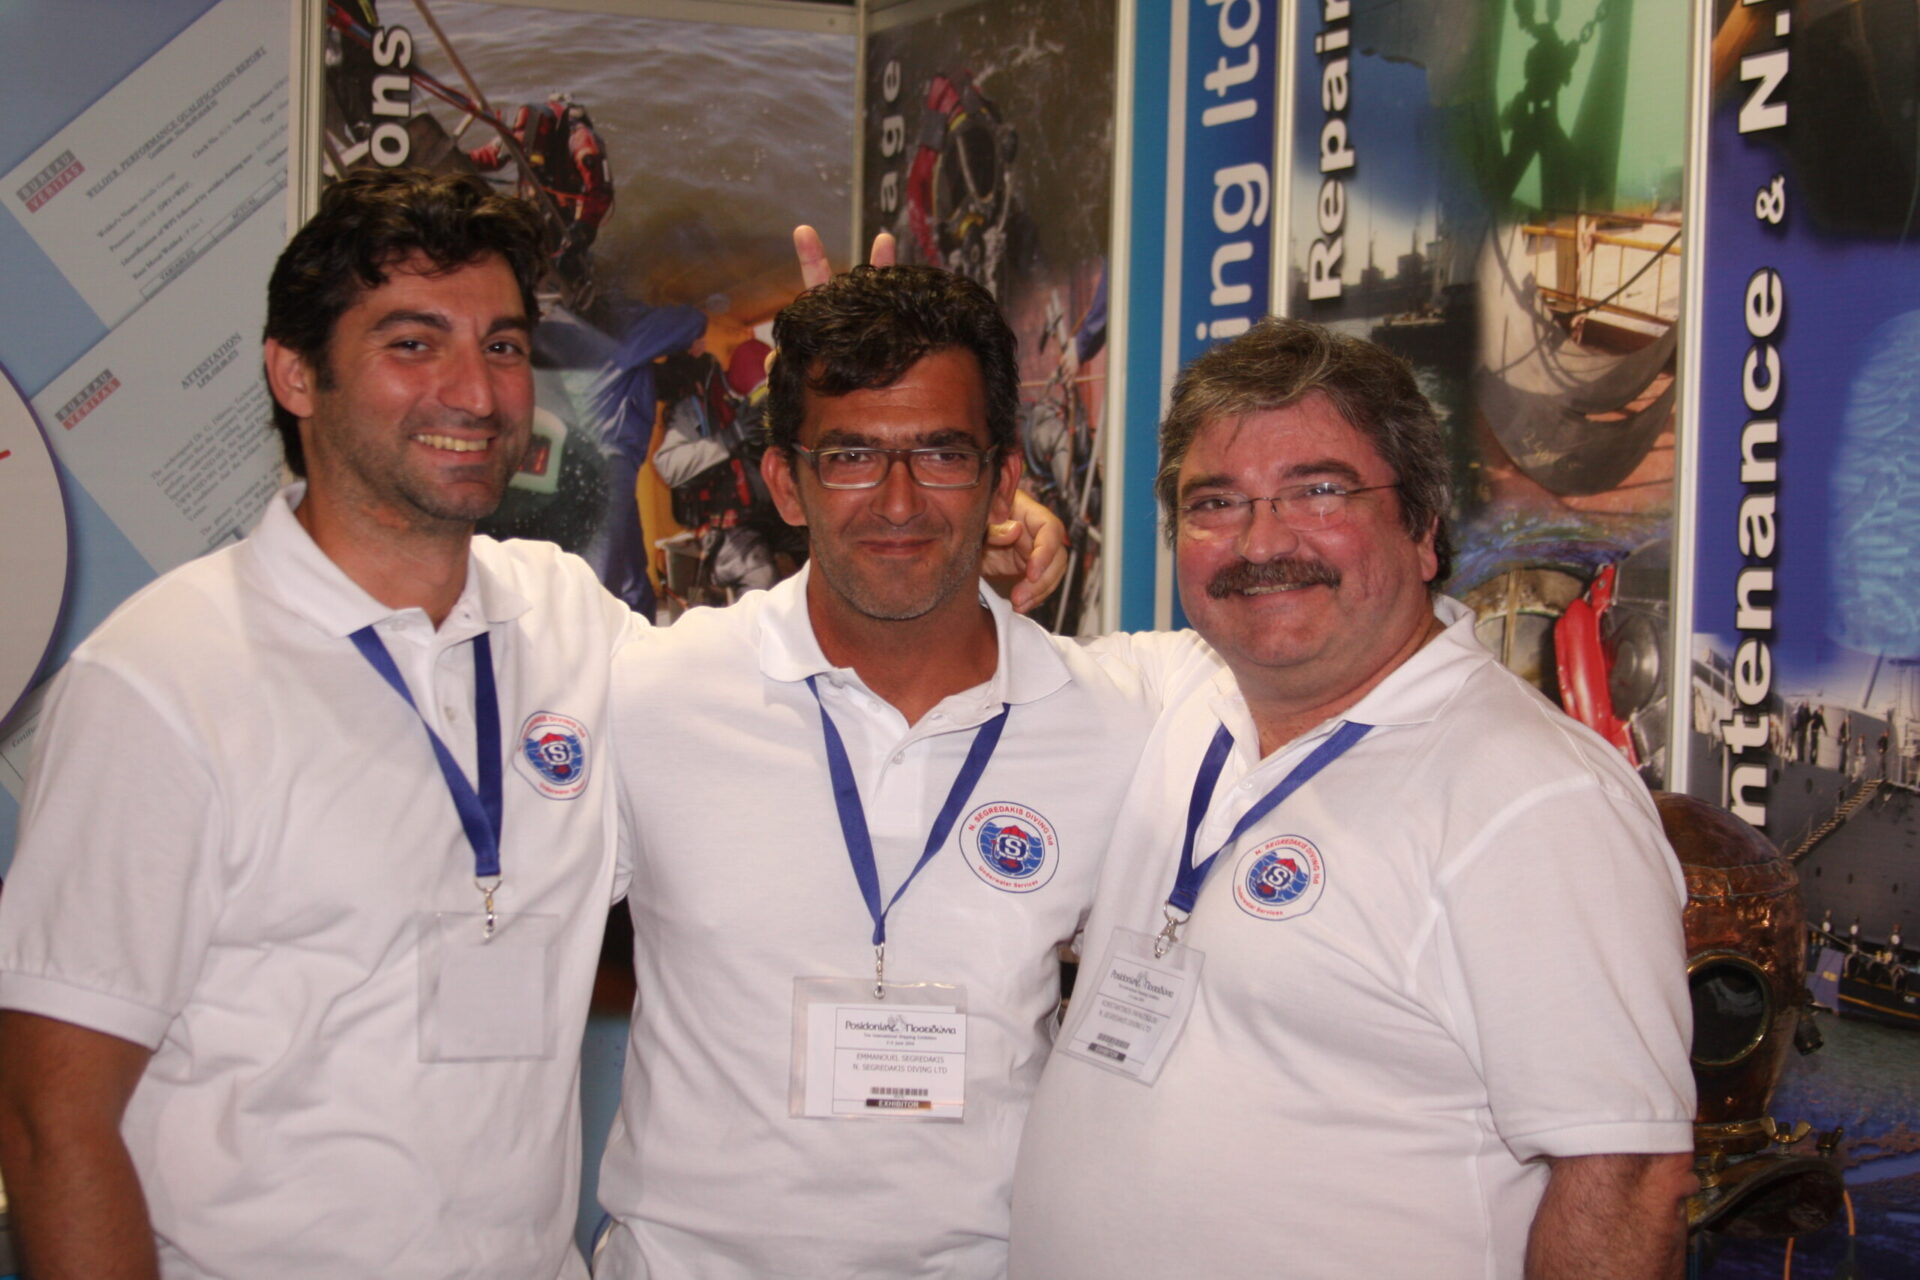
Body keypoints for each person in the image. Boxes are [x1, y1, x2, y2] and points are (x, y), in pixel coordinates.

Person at [0, 168, 642, 1279]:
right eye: (412, 343)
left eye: (500, 345)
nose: (476, 392)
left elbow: (787, 707)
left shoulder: (572, 620)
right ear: (295, 374)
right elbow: (49, 1122)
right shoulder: (161, 679)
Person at [1009, 318, 1697, 1279]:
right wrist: (956, 518)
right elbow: (946, 674)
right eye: (1216, 503)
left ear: (1423, 529)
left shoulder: (1536, 799)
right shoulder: (1180, 696)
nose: (1262, 541)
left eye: (1319, 491)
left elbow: (1625, 1179)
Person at [591, 265, 1165, 1278]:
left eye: (940, 454)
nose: (897, 502)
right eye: (852, 455)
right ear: (786, 483)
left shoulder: (1119, 717)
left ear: (1001, 480)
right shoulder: (646, 690)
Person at [468, 93, 613, 286]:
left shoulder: (583, 144)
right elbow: (491, 155)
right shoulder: (521, 133)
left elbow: (600, 192)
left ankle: (581, 281)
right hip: (539, 193)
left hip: (570, 199)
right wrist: (466, 160)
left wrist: (584, 226)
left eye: (535, 155)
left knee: (570, 258)